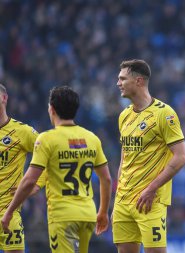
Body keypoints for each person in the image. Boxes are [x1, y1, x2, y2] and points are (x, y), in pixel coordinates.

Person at [1, 86, 112, 253]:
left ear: (51, 109)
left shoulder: (43, 138)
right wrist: (103, 211)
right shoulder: (92, 138)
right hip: (87, 213)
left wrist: (33, 188)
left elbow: (33, 176)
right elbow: (107, 179)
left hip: (60, 215)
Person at [112, 59, 185, 253]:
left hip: (150, 201)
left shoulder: (165, 114)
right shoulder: (124, 116)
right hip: (123, 201)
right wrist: (117, 196)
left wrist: (152, 188)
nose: (118, 83)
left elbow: (180, 157)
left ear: (138, 81)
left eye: (122, 79)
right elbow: (124, 157)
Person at [0, 83, 44, 253]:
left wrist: (35, 186)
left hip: (8, 213)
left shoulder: (22, 132)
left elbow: (48, 155)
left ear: (4, 98)